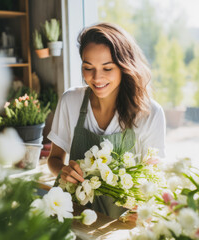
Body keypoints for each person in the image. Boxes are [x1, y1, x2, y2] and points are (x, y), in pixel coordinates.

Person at [47, 23, 166, 218]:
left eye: (107, 68)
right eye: (88, 67)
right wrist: (63, 172)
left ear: (124, 66)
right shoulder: (71, 101)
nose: (96, 77)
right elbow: (54, 159)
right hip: (72, 216)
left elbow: (154, 178)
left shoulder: (150, 113)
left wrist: (143, 199)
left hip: (121, 225)